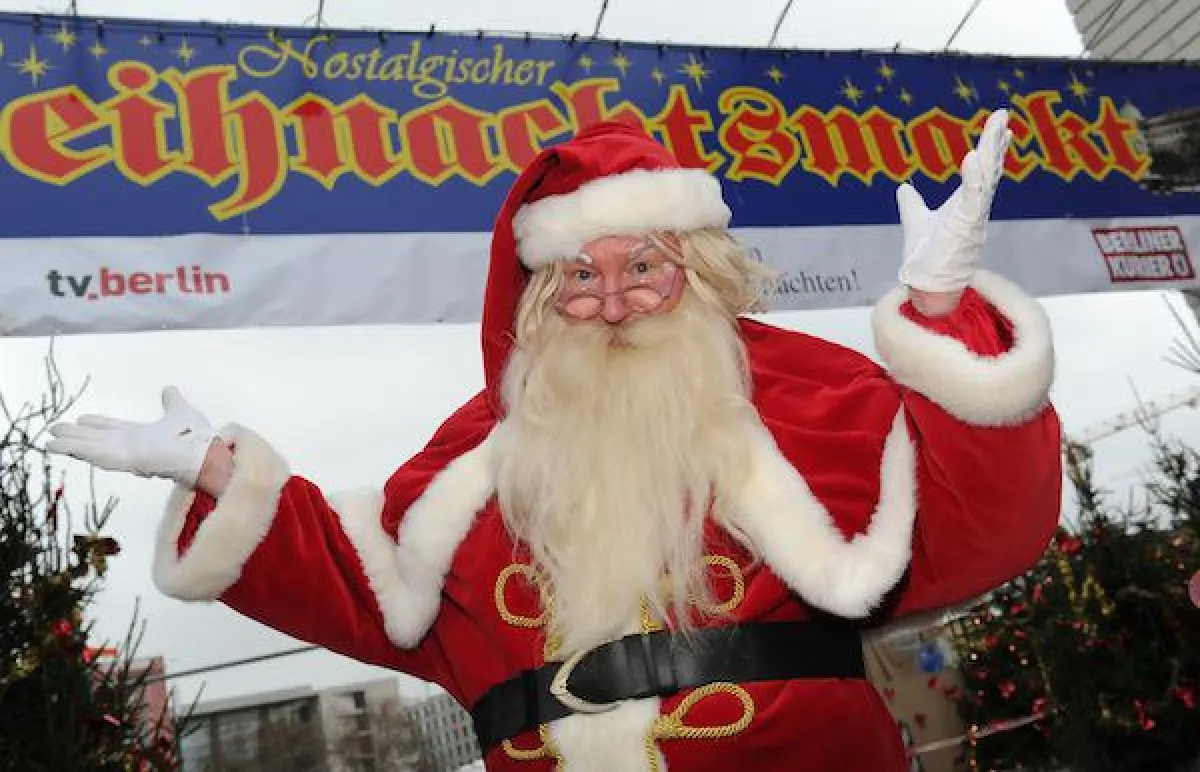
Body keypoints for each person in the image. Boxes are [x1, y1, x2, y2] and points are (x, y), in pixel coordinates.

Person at [49, 108, 1062, 771]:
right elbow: (359, 581)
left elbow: (985, 523)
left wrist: (945, 314)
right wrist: (218, 472)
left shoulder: (806, 397)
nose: (612, 301)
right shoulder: (478, 453)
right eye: (579, 276)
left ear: (697, 273)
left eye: (643, 267)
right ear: (538, 298)